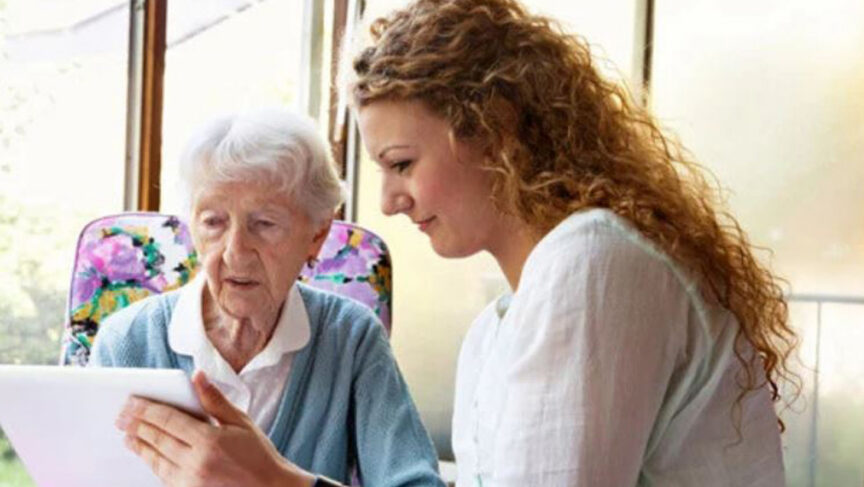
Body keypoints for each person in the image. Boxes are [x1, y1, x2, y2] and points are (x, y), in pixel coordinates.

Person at [348, 0, 798, 485]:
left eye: (401, 164)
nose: (389, 202)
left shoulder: (594, 264)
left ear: (494, 128)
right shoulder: (494, 330)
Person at [90, 109, 444, 487]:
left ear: (316, 235)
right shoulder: (126, 343)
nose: (235, 253)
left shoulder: (351, 339)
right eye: (214, 222)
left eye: (265, 224)